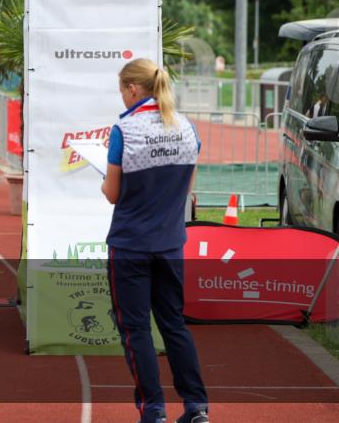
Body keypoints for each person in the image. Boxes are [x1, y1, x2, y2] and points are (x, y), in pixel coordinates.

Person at [100, 58, 209, 423]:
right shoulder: (187, 127)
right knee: (173, 324)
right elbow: (186, 191)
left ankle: (154, 410)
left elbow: (112, 194)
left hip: (130, 243)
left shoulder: (124, 129)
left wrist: (103, 177)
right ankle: (196, 406)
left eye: (121, 89)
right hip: (170, 242)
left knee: (135, 330)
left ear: (133, 89)